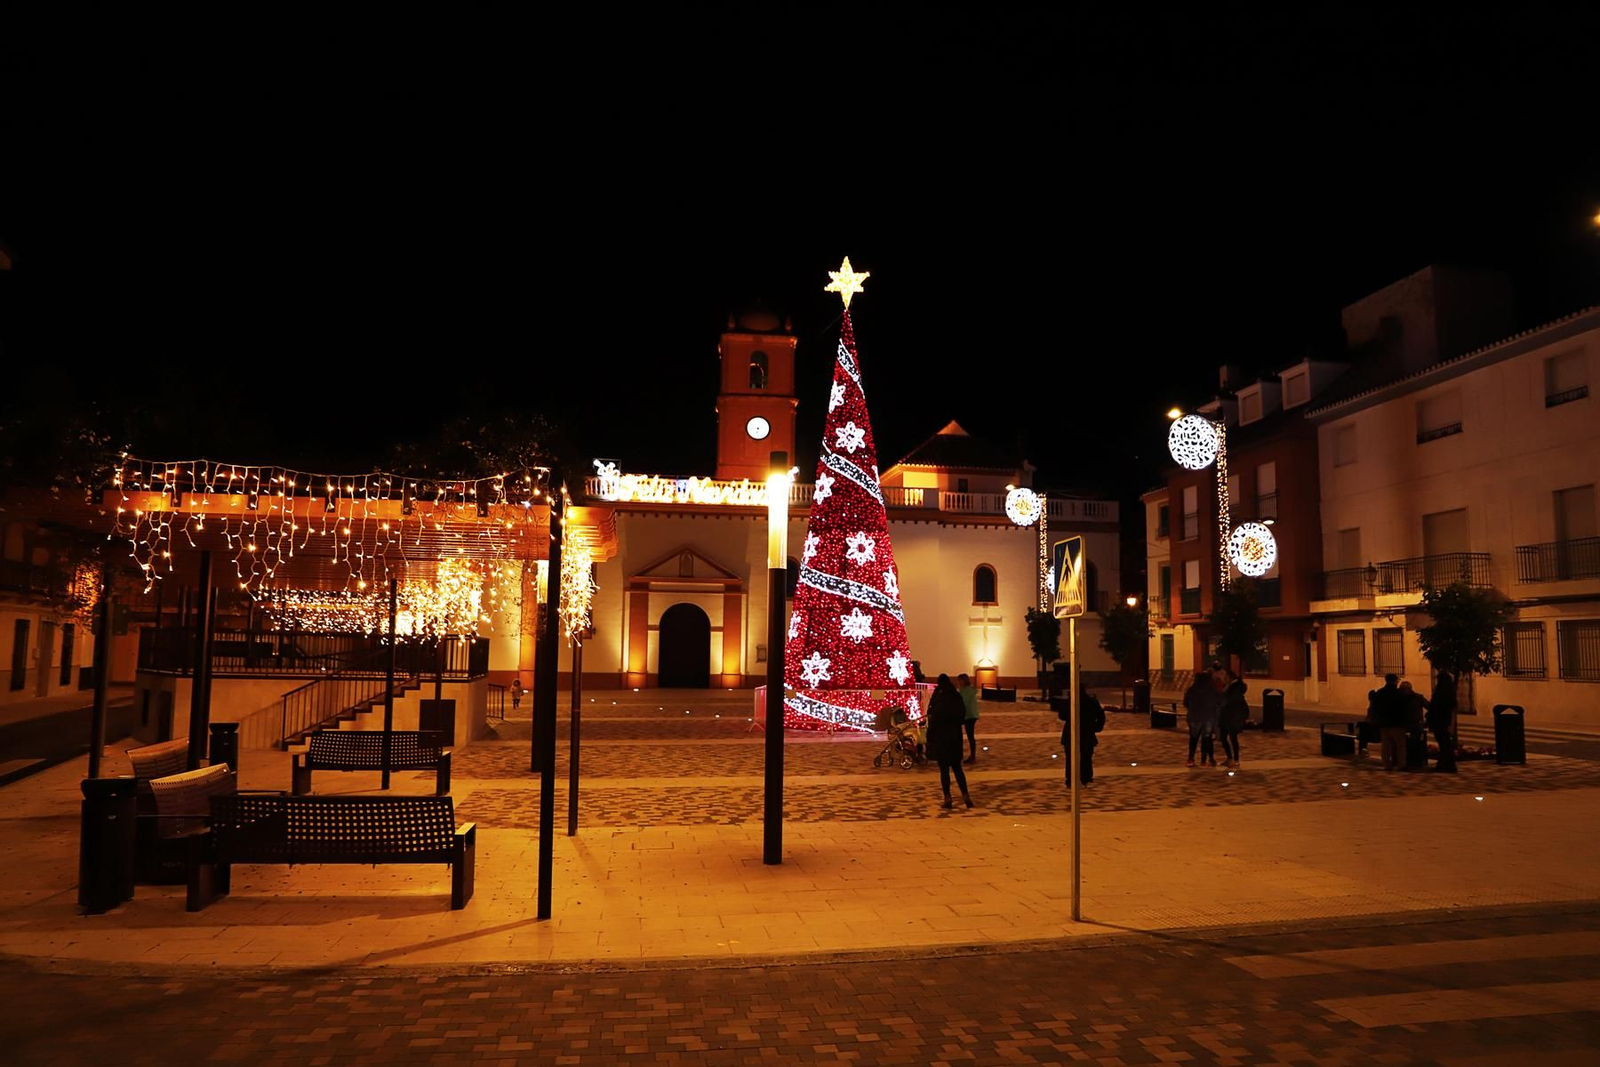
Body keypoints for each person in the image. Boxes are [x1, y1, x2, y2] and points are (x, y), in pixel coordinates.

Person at [925, 674, 973, 809]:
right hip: (955, 737)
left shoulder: (938, 698)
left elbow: (932, 717)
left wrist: (930, 736)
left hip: (941, 738)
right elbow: (962, 715)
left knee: (944, 770)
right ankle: (965, 795)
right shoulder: (956, 696)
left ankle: (947, 797)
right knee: (958, 768)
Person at [1065, 683, 1106, 784]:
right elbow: (1101, 716)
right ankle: (1086, 776)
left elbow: (1062, 715)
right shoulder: (1092, 701)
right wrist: (1096, 727)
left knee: (1071, 757)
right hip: (1087, 732)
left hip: (1071, 733)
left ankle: (1071, 777)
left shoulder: (1070, 701)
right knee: (1086, 757)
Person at [1183, 674, 1221, 767]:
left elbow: (1185, 703)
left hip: (1194, 717)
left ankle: (1191, 758)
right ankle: (1204, 760)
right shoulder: (1212, 690)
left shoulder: (1192, 690)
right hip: (1208, 717)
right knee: (1206, 738)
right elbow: (1222, 701)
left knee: (1193, 738)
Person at [1372, 673, 1408, 771]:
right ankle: (1401, 764)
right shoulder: (1399, 694)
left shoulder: (1380, 693)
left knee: (1386, 745)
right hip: (1398, 723)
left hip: (1384, 723)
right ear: (1394, 681)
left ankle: (1387, 764)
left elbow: (1375, 707)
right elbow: (1405, 708)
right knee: (1400, 745)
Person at [1428, 670, 1458, 773]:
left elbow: (1434, 706)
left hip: (1439, 720)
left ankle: (1446, 765)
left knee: (1444, 744)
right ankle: (1446, 765)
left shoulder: (1439, 692)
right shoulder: (1450, 692)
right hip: (1445, 720)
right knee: (1445, 744)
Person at [1218, 668, 1248, 769]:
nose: (1224, 679)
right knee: (1223, 737)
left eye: (1225, 677)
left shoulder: (1235, 688)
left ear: (1230, 677)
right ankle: (1229, 758)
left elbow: (1232, 701)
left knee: (1233, 738)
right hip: (1226, 716)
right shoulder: (1228, 687)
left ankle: (1235, 759)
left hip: (1233, 716)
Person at [1399, 680, 1429, 771]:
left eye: (1403, 689)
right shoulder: (1400, 698)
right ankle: (1409, 762)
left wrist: (1426, 718)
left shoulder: (1418, 697)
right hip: (1404, 724)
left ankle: (1416, 762)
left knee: (1416, 744)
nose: (1402, 691)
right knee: (1406, 745)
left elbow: (1429, 706)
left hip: (1415, 724)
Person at [957, 672, 980, 764]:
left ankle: (972, 756)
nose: (958, 682)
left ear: (963, 681)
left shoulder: (965, 691)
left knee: (970, 736)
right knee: (970, 736)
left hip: (968, 715)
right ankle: (972, 755)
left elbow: (963, 703)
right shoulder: (970, 689)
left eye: (959, 680)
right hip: (972, 715)